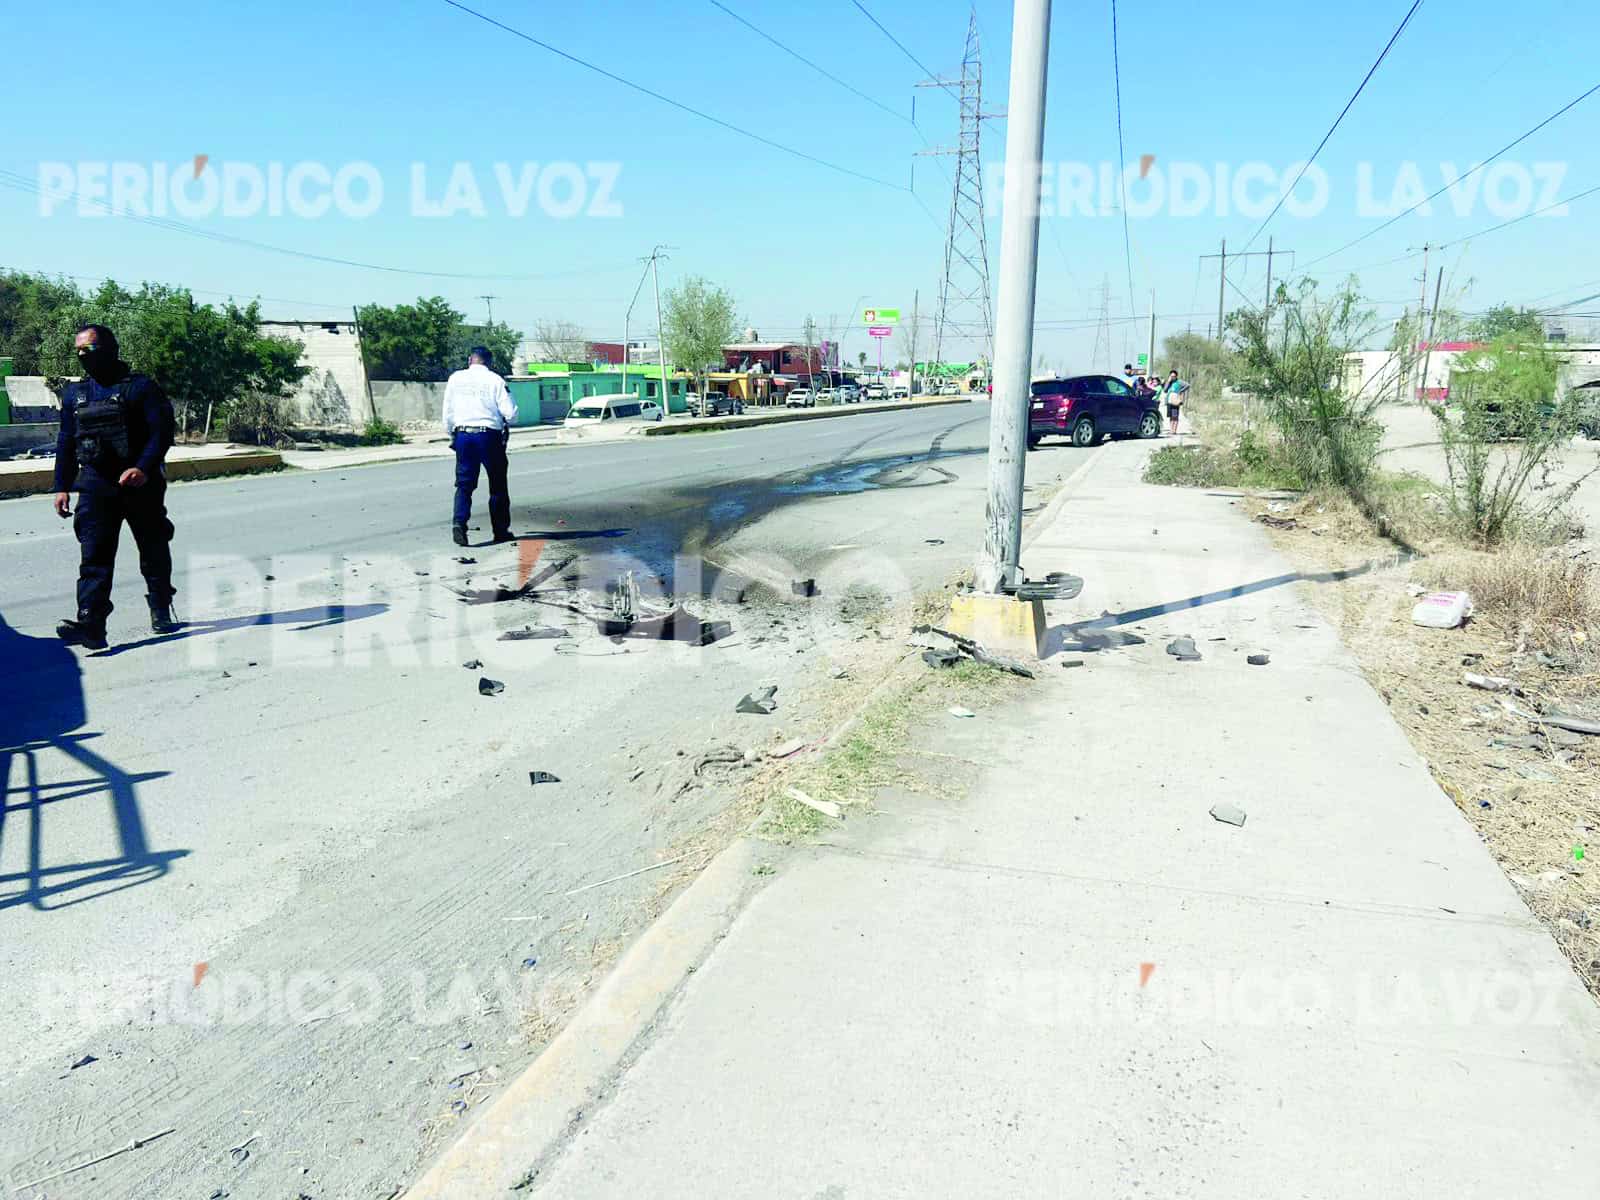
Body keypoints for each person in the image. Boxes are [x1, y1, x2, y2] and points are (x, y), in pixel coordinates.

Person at [52, 324, 178, 650]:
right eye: (78, 350)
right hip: (95, 485)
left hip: (140, 485)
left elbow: (161, 433)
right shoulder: (76, 395)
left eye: (89, 350)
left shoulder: (141, 388)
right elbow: (66, 442)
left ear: (110, 349)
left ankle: (160, 605)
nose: (83, 356)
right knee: (94, 556)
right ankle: (91, 624)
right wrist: (61, 486)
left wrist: (143, 467)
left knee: (152, 547)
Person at [442, 345, 517, 546]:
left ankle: (459, 524)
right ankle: (500, 530)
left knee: (464, 485)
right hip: (488, 437)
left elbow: (447, 411)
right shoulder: (495, 380)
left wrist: (452, 434)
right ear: (489, 362)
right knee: (498, 485)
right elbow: (511, 413)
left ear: (470, 360)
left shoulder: (455, 378)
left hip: (463, 435)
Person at [1163, 368, 1189, 436]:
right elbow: (1165, 390)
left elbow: (1187, 385)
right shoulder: (1169, 382)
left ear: (1176, 376)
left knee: (1175, 416)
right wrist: (1168, 382)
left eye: (1174, 376)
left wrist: (1180, 391)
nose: (1173, 377)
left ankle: (1174, 430)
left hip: (1175, 400)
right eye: (1171, 376)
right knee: (1171, 416)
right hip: (1169, 401)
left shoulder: (1179, 382)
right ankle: (1171, 430)